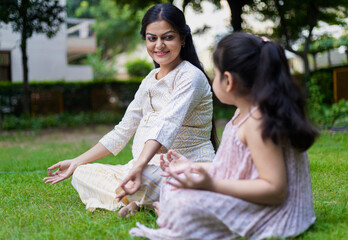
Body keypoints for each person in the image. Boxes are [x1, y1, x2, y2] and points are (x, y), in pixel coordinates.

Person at [130, 32, 318, 239]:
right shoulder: (243, 113)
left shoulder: (258, 122)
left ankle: (173, 217)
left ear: (228, 81)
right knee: (173, 183)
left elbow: (274, 190)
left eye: (215, 74)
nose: (212, 79)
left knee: (183, 205)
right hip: (253, 197)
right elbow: (234, 167)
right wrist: (190, 166)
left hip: (277, 214)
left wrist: (211, 185)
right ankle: (173, 214)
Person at [43, 3, 218, 217]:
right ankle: (145, 198)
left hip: (188, 168)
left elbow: (166, 125)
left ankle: (144, 198)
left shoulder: (190, 77)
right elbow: (122, 130)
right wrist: (76, 161)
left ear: (183, 38)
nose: (159, 45)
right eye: (152, 38)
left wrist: (138, 167)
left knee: (144, 177)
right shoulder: (149, 81)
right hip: (145, 168)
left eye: (168, 37)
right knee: (82, 173)